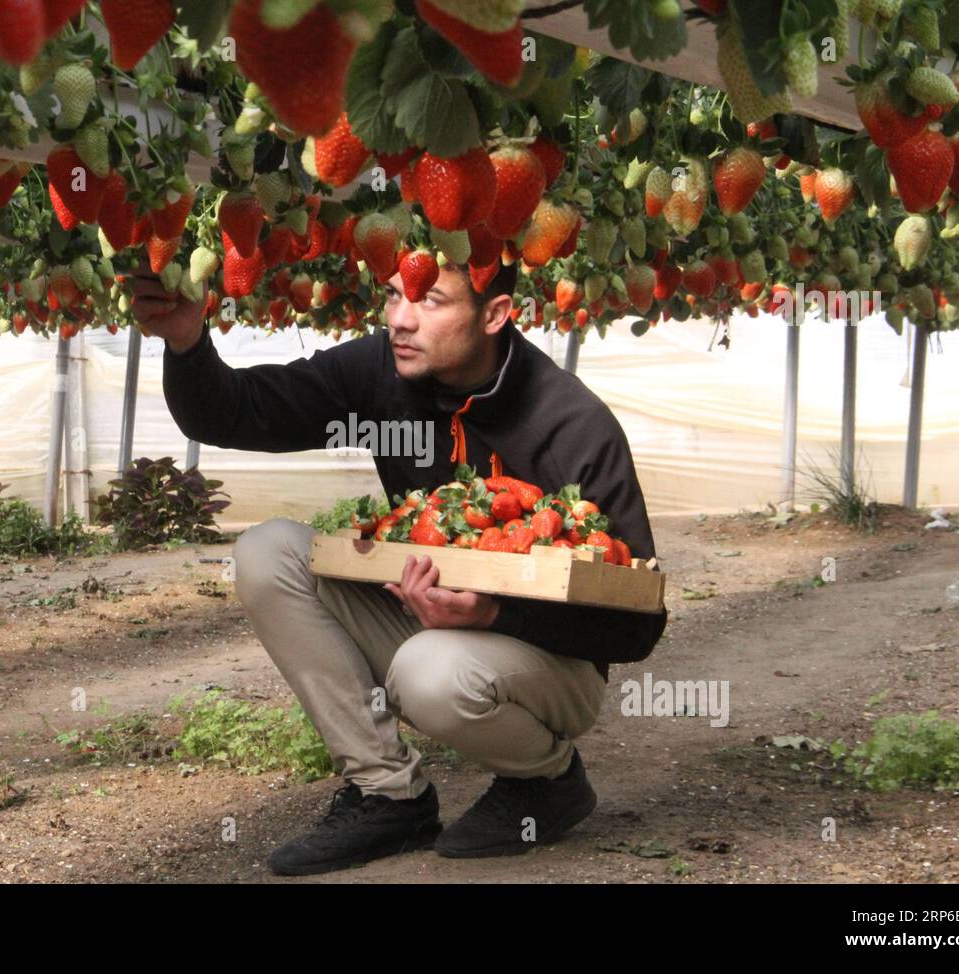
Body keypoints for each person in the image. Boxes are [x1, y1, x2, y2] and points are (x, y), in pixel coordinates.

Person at [131, 256, 668, 876]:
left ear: (495, 314)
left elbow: (637, 625)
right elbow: (237, 412)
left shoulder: (570, 426)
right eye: (391, 297)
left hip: (550, 667)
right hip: (429, 623)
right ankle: (388, 796)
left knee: (429, 669)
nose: (400, 320)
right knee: (268, 551)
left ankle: (547, 781)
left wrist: (496, 612)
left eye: (431, 302)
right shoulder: (380, 375)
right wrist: (187, 341)